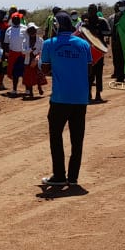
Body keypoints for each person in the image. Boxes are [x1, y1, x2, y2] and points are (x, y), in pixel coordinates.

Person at [41, 12, 92, 186]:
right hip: (80, 98)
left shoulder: (49, 44)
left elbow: (45, 69)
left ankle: (59, 175)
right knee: (77, 139)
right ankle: (73, 177)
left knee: (56, 136)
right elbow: (89, 69)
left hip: (60, 98)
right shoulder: (84, 44)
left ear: (56, 25)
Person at [85, 4, 111, 102]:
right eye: (89, 10)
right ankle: (88, 94)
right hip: (88, 50)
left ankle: (98, 94)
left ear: (96, 11)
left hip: (99, 50)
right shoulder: (85, 22)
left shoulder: (102, 21)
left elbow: (109, 32)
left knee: (98, 73)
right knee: (89, 73)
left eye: (92, 10)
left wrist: (98, 31)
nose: (91, 12)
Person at [3, 12, 29, 96]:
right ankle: (14, 90)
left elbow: (29, 40)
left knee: (25, 72)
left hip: (23, 54)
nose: (16, 20)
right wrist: (6, 53)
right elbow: (6, 43)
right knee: (14, 74)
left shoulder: (25, 28)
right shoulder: (8, 30)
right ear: (12, 20)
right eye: (14, 19)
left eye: (18, 18)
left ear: (20, 19)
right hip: (13, 54)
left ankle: (27, 90)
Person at [23, 24, 45, 98]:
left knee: (38, 75)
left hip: (37, 59)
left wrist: (37, 57)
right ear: (29, 32)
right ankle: (30, 91)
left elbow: (42, 50)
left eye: (34, 31)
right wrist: (30, 50)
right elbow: (23, 51)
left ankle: (39, 87)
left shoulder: (40, 40)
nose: (33, 33)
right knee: (29, 76)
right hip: (28, 60)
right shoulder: (25, 40)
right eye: (31, 31)